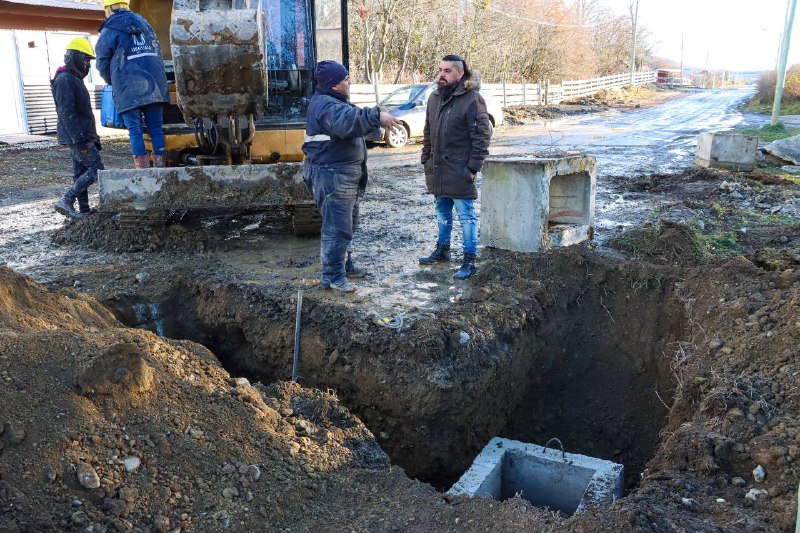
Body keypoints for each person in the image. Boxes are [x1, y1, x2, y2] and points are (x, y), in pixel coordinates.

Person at [302, 60, 403, 293]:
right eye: (346, 79)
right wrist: (377, 115)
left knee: (347, 225)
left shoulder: (334, 102)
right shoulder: (325, 105)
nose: (349, 82)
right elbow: (349, 121)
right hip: (332, 175)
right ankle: (333, 277)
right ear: (335, 85)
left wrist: (376, 126)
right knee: (337, 227)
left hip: (341, 174)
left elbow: (353, 119)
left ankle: (343, 266)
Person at [419, 54, 492, 279]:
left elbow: (482, 137)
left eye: (448, 70)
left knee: (466, 216)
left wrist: (472, 168)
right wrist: (425, 159)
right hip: (438, 168)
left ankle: (469, 259)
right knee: (442, 212)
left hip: (461, 170)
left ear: (460, 74)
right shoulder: (434, 98)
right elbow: (428, 131)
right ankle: (442, 250)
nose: (442, 74)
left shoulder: (472, 99)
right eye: (440, 69)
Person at [95, 0, 169, 168]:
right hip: (156, 86)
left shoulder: (109, 30)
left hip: (128, 87)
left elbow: (101, 62)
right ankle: (161, 170)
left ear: (108, 9)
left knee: (135, 131)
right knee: (156, 128)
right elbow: (158, 52)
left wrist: (113, 81)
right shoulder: (146, 25)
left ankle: (142, 172)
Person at [52, 38, 104, 220]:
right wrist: (79, 139)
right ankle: (66, 200)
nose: (87, 64)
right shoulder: (65, 79)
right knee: (97, 170)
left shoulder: (73, 78)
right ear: (75, 56)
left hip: (81, 135)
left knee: (80, 173)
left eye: (89, 61)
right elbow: (66, 112)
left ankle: (84, 210)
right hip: (78, 137)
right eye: (85, 59)